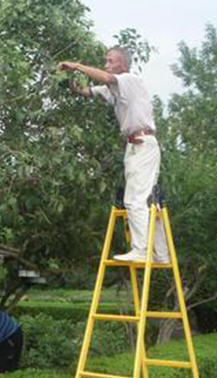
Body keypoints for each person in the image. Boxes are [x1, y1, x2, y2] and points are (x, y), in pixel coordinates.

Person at [58, 47, 169, 263]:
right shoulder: (113, 90)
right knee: (146, 199)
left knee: (134, 199)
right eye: (105, 61)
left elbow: (108, 78)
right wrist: (68, 83)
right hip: (135, 146)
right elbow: (86, 91)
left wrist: (77, 65)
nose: (106, 65)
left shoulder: (129, 80)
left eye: (111, 61)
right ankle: (161, 254)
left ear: (123, 65)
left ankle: (140, 250)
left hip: (143, 144)